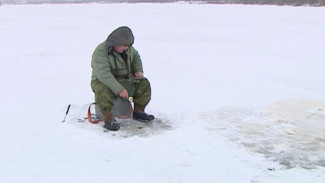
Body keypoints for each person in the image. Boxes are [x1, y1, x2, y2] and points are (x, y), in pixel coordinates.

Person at [91, 26, 154, 131]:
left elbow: (136, 57)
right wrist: (119, 89)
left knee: (143, 84)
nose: (126, 48)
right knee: (102, 92)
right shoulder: (100, 52)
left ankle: (139, 112)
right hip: (103, 82)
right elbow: (104, 75)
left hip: (124, 80)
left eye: (127, 46)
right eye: (123, 46)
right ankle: (108, 119)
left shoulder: (128, 48)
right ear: (116, 43)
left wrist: (138, 70)